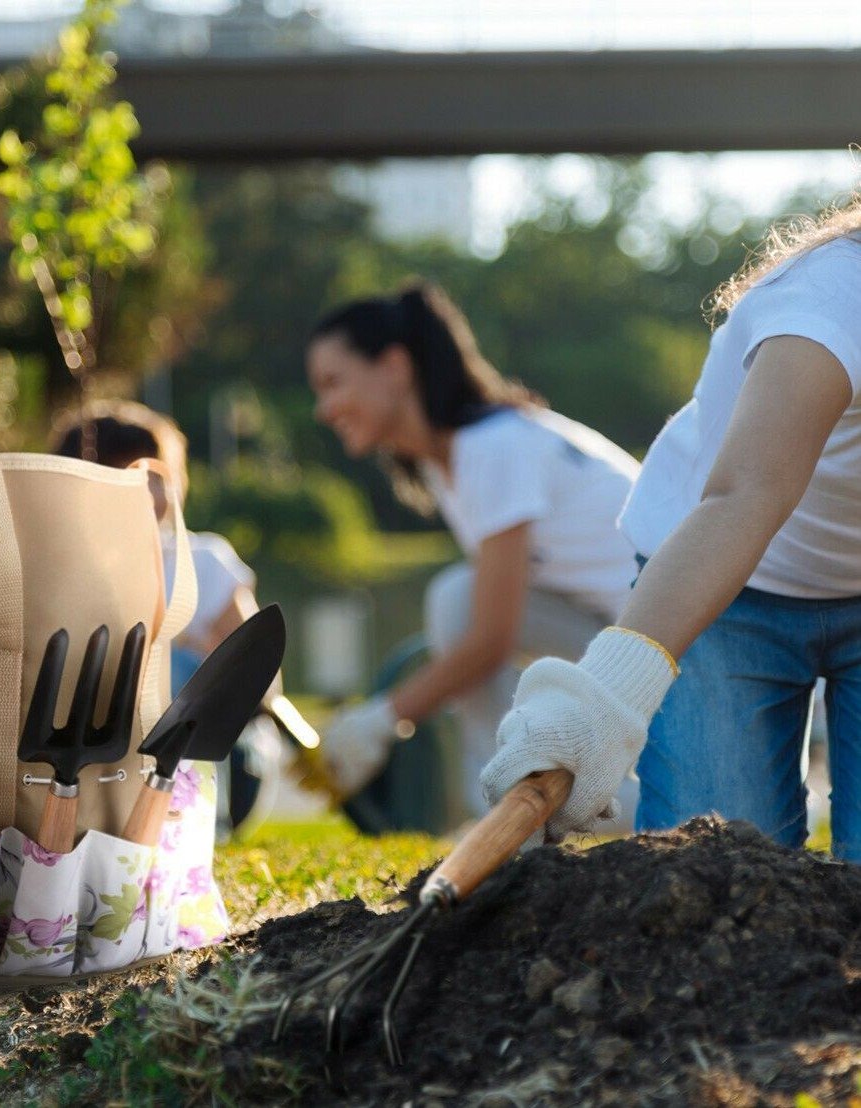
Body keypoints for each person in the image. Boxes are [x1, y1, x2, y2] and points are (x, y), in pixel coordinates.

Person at [481, 198, 861, 862]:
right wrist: (602, 701)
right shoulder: (833, 299)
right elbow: (747, 494)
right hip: (726, 589)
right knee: (717, 875)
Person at [306, 282, 641, 818]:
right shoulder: (457, 461)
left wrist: (380, 719)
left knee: (457, 601)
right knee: (458, 598)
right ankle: (525, 797)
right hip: (632, 642)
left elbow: (489, 639)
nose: (324, 408)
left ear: (394, 366)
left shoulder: (491, 446)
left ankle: (529, 805)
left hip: (682, 653)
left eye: (333, 382)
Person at [51, 401, 314, 834]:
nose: (143, 493)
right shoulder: (64, 569)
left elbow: (259, 682)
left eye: (154, 478)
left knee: (166, 665)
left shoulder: (203, 561)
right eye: (121, 477)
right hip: (100, 763)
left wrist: (181, 642)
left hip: (222, 760)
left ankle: (192, 822)